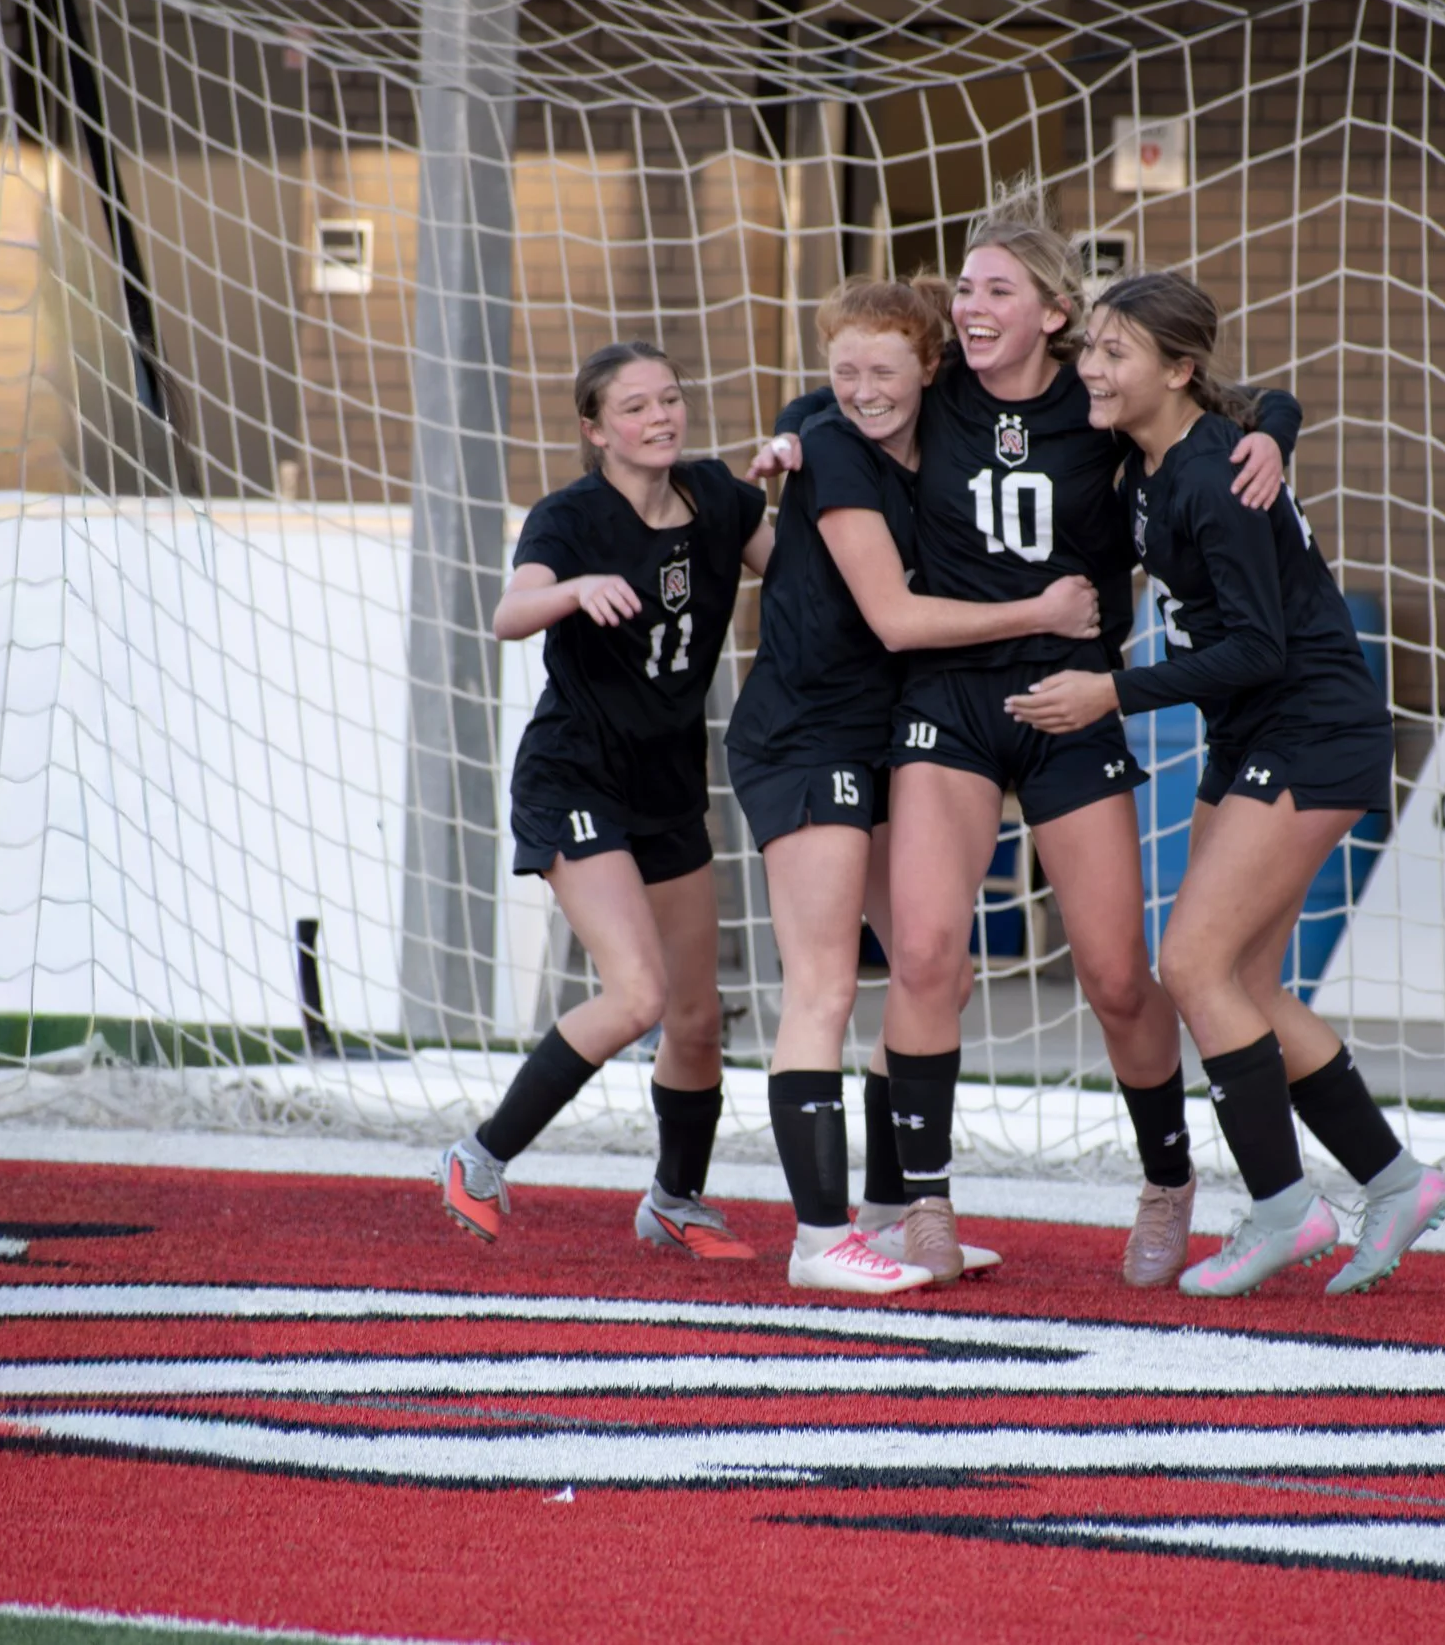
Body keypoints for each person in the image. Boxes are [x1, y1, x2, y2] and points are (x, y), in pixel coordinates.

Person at [754, 182, 1289, 1286]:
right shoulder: (939, 386)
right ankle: (923, 1201)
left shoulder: (1099, 403)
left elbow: (1243, 405)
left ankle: (1167, 1179)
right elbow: (845, 391)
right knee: (924, 953)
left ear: (1054, 313)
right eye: (964, 287)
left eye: (998, 289)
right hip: (945, 700)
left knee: (1116, 973)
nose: (971, 306)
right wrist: (792, 430)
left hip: (1070, 704)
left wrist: (1275, 435)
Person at [1008, 270, 1445, 1296]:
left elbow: (1259, 647)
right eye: (1090, 347)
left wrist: (1110, 692)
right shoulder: (1162, 452)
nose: (1090, 369)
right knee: (1240, 982)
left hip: (1309, 727)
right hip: (1252, 731)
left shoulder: (1213, 479)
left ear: (1177, 370)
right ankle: (1397, 1182)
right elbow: (1269, 400)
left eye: (1114, 353)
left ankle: (1283, 1209)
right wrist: (1280, 428)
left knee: (1192, 961)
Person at [729, 278, 1102, 1293]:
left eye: (882, 369)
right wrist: (1040, 613)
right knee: (824, 984)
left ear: (929, 370)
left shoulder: (932, 432)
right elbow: (895, 620)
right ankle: (819, 1240)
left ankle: (889, 1219)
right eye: (841, 370)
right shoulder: (832, 443)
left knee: (933, 971)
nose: (861, 389)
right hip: (805, 735)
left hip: (880, 737)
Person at [440, 342, 772, 1261]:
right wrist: (575, 588)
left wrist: (810, 456)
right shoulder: (571, 517)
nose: (660, 417)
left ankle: (674, 1199)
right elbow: (509, 614)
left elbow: (803, 574)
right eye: (634, 407)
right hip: (576, 777)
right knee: (638, 994)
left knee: (696, 1018)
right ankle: (478, 1156)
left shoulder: (718, 499)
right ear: (596, 430)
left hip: (668, 784)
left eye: (670, 398)